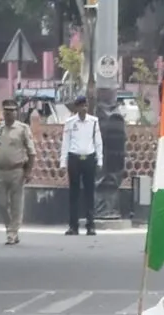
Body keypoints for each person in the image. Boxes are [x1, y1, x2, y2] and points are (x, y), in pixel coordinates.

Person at [0, 102, 35, 244]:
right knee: (0, 205)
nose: (8, 114)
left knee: (16, 205)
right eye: (6, 111)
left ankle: (12, 233)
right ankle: (10, 227)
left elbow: (32, 152)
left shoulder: (22, 129)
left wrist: (29, 172)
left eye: (11, 111)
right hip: (1, 171)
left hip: (17, 171)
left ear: (16, 113)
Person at [64, 94, 102, 236]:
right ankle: (73, 226)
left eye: (85, 105)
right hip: (74, 158)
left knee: (89, 193)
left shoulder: (93, 122)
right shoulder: (70, 122)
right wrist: (63, 162)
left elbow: (98, 142)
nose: (84, 108)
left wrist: (100, 159)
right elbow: (65, 142)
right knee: (74, 193)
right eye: (81, 105)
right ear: (77, 107)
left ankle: (90, 225)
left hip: (89, 158)